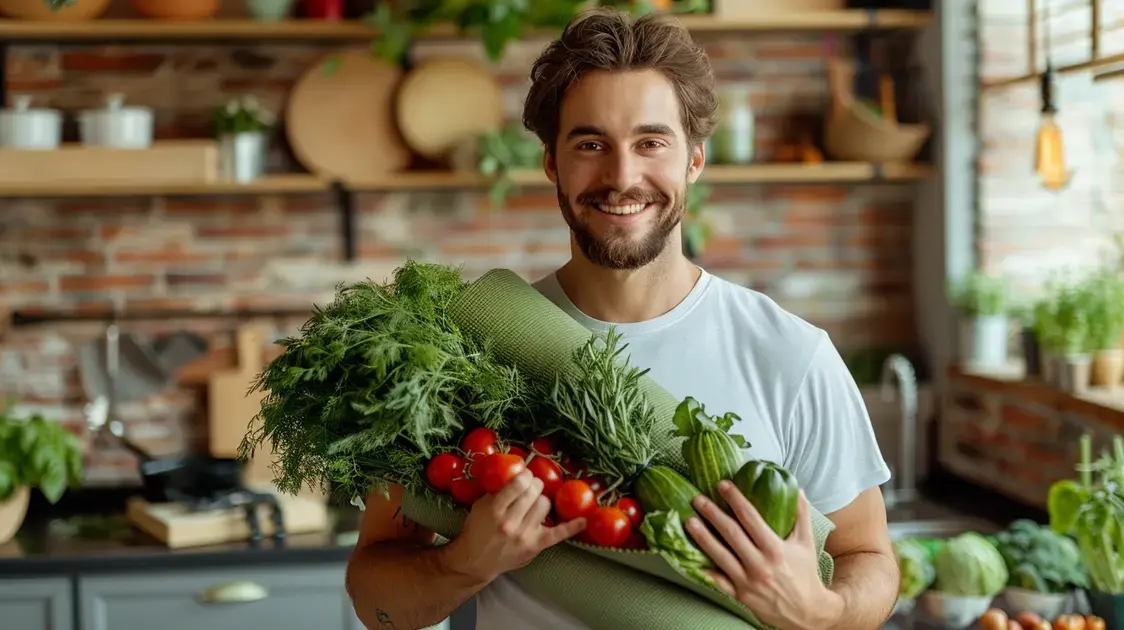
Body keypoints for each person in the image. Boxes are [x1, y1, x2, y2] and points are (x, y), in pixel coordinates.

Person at [345, 7, 901, 630]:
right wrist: (463, 566)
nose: (621, 176)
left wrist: (823, 611)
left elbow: (867, 555)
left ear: (694, 158)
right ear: (552, 162)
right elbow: (376, 599)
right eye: (590, 144)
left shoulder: (789, 355)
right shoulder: (462, 354)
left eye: (650, 142)